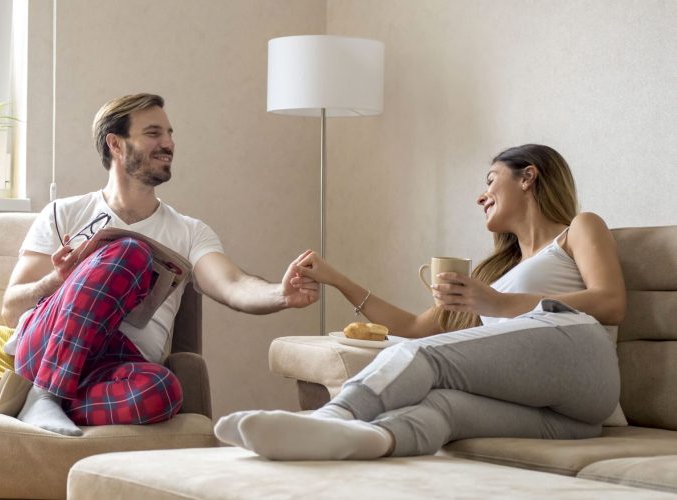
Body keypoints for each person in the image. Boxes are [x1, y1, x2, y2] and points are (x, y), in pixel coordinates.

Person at [216, 143, 627, 460]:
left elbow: (610, 303)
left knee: (426, 357)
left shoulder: (577, 229)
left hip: (584, 365)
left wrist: (498, 304)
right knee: (442, 406)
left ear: (528, 177)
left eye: (490, 180)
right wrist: (337, 280)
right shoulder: (492, 276)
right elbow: (413, 327)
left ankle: (330, 417)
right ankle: (352, 439)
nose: (481, 196)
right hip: (570, 419)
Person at [0, 93, 320, 436]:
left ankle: (21, 399)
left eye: (169, 133)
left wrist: (281, 294)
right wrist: (59, 279)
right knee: (131, 252)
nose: (168, 143)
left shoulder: (190, 231)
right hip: (48, 343)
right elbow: (10, 310)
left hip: (118, 365)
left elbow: (233, 285)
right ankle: (45, 394)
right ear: (115, 144)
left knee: (163, 391)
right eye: (153, 133)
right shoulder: (62, 214)